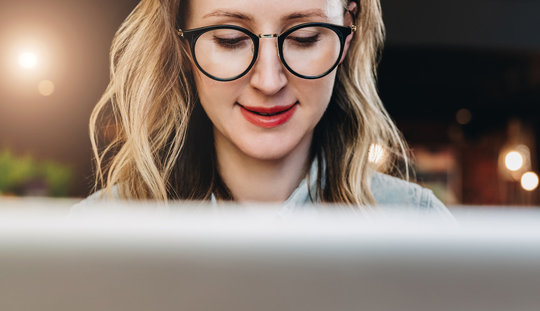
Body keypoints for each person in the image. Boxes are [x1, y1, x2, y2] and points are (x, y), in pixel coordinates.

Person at [82, 0, 450, 215]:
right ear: (182, 45)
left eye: (305, 38)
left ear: (347, 36)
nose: (269, 81)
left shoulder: (417, 221)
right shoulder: (97, 230)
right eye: (230, 40)